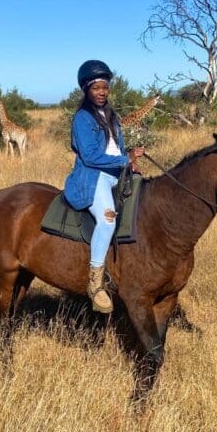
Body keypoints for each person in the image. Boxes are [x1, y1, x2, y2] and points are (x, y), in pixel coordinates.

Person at [64, 60, 144, 314]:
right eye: (97, 88)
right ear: (86, 89)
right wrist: (125, 159)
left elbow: (116, 148)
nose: (102, 92)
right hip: (94, 176)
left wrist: (128, 164)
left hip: (116, 173)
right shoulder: (82, 118)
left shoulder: (111, 115)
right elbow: (90, 156)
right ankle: (95, 282)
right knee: (108, 219)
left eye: (105, 88)